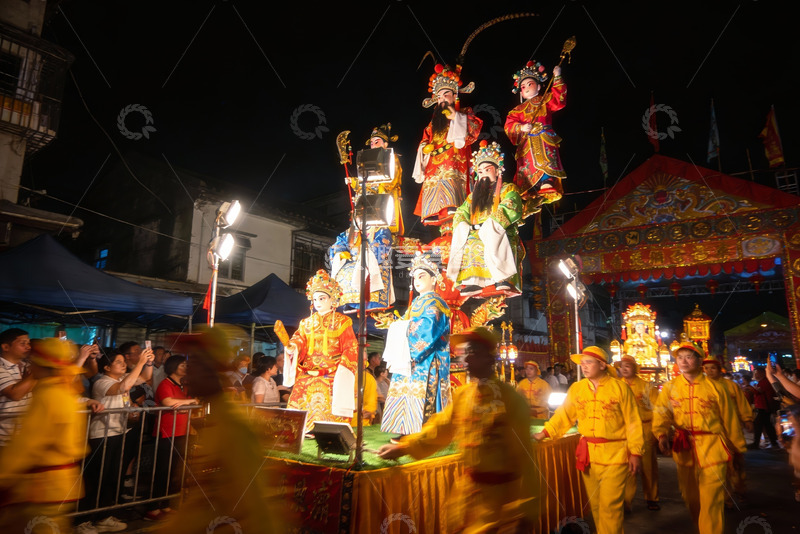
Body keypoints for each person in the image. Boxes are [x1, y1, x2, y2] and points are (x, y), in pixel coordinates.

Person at [379, 327, 539, 533]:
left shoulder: (511, 400)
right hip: (466, 497)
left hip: (501, 504)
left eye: (473, 353)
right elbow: (439, 430)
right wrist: (403, 447)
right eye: (465, 353)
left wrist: (527, 512)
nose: (466, 360)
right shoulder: (463, 395)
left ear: (491, 358)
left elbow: (526, 458)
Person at [534, 346, 643, 534]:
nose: (584, 367)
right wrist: (545, 433)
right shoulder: (577, 388)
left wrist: (635, 451)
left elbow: (633, 421)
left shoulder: (620, 388)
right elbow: (564, 415)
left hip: (615, 455)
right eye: (582, 363)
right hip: (588, 457)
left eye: (588, 362)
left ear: (602, 365)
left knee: (611, 506)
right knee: (596, 505)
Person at [0, 339, 92, 534]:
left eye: (33, 361)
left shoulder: (48, 396)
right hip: (61, 484)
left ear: (42, 365)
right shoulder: (66, 391)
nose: (30, 365)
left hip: (42, 488)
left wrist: (3, 477)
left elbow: (27, 444)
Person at [653, 342, 745, 534]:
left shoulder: (716, 388)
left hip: (713, 447)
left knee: (712, 499)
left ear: (699, 360)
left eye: (689, 357)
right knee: (692, 498)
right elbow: (662, 413)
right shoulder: (670, 388)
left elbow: (729, 419)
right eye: (680, 357)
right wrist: (661, 434)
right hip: (684, 448)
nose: (684, 361)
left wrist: (738, 449)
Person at [83, 346, 153, 532]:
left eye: (124, 362)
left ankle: (103, 517)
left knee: (112, 478)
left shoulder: (123, 378)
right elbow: (124, 387)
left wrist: (149, 362)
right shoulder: (102, 382)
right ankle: (83, 520)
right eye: (119, 362)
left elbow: (145, 377)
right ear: (106, 367)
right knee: (97, 478)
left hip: (118, 432)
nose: (123, 365)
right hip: (102, 435)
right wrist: (139, 362)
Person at [381, 252, 451, 437]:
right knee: (406, 390)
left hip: (427, 358)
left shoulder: (436, 303)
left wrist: (403, 328)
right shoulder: (417, 303)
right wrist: (398, 325)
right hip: (411, 357)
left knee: (423, 392)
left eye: (422, 276)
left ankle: (423, 432)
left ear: (434, 279)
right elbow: (406, 323)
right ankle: (406, 429)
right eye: (415, 277)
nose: (417, 281)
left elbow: (428, 329)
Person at [447, 141, 525, 297]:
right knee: (469, 242)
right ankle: (472, 281)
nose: (483, 175)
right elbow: (461, 212)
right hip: (476, 230)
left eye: (487, 170)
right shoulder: (473, 196)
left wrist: (492, 224)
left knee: (492, 236)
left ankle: (502, 278)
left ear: (497, 171)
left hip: (500, 229)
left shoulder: (507, 188)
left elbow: (512, 204)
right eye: (480, 172)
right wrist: (464, 225)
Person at [284, 270, 358, 433]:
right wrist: (292, 347)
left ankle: (331, 432)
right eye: (315, 299)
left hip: (332, 374)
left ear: (332, 300)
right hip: (308, 373)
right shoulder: (306, 323)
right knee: (299, 389)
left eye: (322, 298)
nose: (318, 302)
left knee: (334, 391)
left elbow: (350, 347)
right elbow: (299, 340)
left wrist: (343, 370)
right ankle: (300, 430)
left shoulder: (343, 321)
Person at [412, 63, 483, 226]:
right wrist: (424, 147)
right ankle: (431, 211)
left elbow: (474, 129)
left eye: (446, 94)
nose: (442, 99)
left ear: (454, 95)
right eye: (439, 96)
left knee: (451, 176)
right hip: (434, 161)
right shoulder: (432, 124)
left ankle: (453, 204)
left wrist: (455, 117)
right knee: (432, 181)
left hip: (453, 157)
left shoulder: (464, 113)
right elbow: (425, 138)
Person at [504, 60, 566, 205]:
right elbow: (509, 126)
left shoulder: (545, 100)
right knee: (527, 165)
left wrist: (557, 77)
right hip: (527, 143)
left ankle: (546, 182)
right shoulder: (517, 110)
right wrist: (520, 127)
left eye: (529, 84)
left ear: (538, 86)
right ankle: (528, 187)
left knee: (545, 160)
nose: (525, 88)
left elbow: (559, 100)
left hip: (544, 137)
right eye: (523, 86)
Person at [146, 354, 198, 522]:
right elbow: (168, 402)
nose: (185, 368)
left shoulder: (183, 387)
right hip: (166, 432)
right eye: (182, 365)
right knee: (162, 470)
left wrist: (185, 404)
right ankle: (152, 508)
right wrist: (188, 403)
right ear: (173, 367)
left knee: (173, 471)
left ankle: (165, 504)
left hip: (181, 432)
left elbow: (188, 404)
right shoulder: (165, 384)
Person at [702, 355, 753, 507]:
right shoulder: (702, 387)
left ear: (719, 369)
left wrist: (747, 419)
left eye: (712, 368)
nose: (709, 371)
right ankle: (726, 497)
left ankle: (741, 489)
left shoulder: (731, 386)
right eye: (706, 368)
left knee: (736, 461)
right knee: (719, 464)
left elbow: (742, 403)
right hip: (713, 431)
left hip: (732, 427)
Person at [616, 354, 660, 511]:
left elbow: (658, 410)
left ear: (635, 369)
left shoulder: (647, 387)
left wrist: (658, 432)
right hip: (624, 431)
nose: (624, 369)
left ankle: (652, 497)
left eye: (628, 366)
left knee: (648, 466)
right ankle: (626, 500)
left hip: (644, 429)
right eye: (622, 366)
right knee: (626, 467)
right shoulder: (616, 386)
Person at [0, 328, 34, 447]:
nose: (28, 347)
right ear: (5, 347)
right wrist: (37, 371)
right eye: (22, 343)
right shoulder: (1, 368)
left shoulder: (27, 366)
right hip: (4, 438)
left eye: (28, 343)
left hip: (24, 436)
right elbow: (15, 394)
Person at [750, 367, 780, 449]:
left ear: (762, 373)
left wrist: (750, 388)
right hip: (764, 406)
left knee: (758, 424)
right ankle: (774, 442)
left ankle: (756, 443)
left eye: (757, 373)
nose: (755, 375)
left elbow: (758, 391)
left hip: (764, 407)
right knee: (767, 425)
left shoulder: (764, 382)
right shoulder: (762, 382)